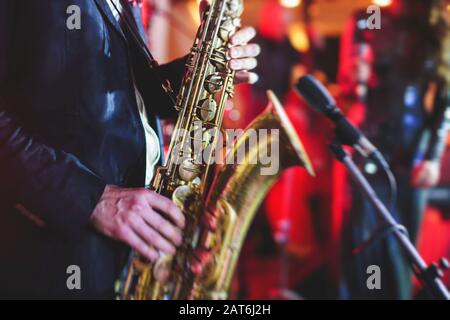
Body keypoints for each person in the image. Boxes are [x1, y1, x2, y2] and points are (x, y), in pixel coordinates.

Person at [0, 0, 260, 299]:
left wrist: (208, 66)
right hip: (53, 256)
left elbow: (131, 93)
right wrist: (92, 199)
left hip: (129, 249)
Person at [338, 0, 450, 299]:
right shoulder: (370, 18)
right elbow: (350, 88)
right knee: (366, 247)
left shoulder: (435, 27)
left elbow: (445, 101)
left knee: (403, 249)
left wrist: (432, 156)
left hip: (411, 158)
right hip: (369, 150)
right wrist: (354, 77)